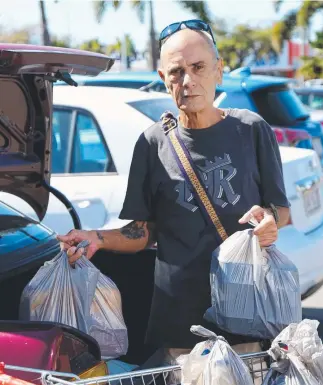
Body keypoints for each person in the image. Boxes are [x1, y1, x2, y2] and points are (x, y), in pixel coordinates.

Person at [58, 19, 290, 362]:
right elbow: (143, 231)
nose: (187, 81)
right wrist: (97, 238)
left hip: (246, 312)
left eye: (198, 68)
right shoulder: (153, 143)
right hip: (180, 321)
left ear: (219, 71)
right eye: (176, 72)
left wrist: (269, 220)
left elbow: (281, 210)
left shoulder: (251, 130)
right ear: (164, 77)